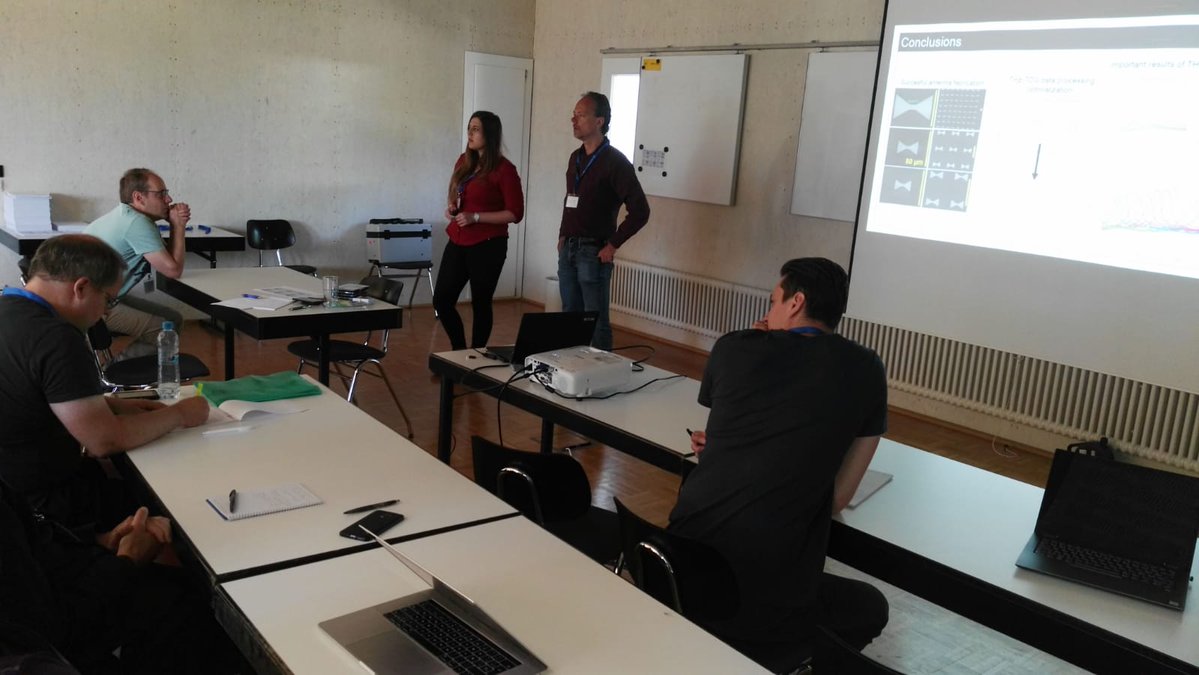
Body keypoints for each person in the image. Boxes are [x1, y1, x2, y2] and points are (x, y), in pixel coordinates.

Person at [668, 257, 889, 671]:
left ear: (795, 302)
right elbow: (837, 499)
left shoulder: (733, 347)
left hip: (677, 568)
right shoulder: (867, 368)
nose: (767, 313)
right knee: (870, 605)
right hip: (762, 604)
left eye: (773, 302)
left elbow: (730, 431)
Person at [0, 235, 210, 533]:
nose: (107, 312)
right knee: (176, 502)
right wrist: (180, 414)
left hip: (13, 487)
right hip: (42, 506)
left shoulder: (9, 307)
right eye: (109, 300)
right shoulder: (56, 338)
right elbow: (103, 441)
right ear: (81, 287)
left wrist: (111, 405)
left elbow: (32, 394)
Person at [0, 477, 242, 674]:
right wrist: (128, 561)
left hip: (83, 578)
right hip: (82, 638)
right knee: (203, 608)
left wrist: (103, 540)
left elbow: (37, 538)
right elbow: (50, 628)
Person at [557, 91, 650, 351]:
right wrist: (563, 234)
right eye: (573, 115)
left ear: (599, 121)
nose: (574, 120)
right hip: (569, 248)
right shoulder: (575, 158)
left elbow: (641, 211)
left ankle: (601, 369)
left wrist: (613, 244)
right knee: (570, 315)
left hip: (594, 251)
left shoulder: (615, 163)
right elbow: (569, 198)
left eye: (581, 115)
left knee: (596, 321)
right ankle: (570, 366)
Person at [432, 111, 525, 350]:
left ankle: (476, 355)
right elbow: (455, 192)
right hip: (458, 239)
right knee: (442, 300)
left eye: (476, 129)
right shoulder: (464, 161)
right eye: (469, 128)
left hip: (488, 244)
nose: (470, 134)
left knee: (481, 303)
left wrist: (476, 217)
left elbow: (515, 213)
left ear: (489, 134)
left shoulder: (505, 170)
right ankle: (459, 350)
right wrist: (452, 207)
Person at [84, 168, 188, 359]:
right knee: (164, 330)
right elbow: (172, 271)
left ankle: (122, 368)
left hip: (96, 296)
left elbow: (168, 260)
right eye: (161, 194)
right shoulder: (137, 223)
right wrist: (179, 226)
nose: (169, 199)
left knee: (173, 319)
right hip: (92, 305)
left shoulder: (126, 216)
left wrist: (174, 225)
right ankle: (117, 370)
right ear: (139, 197)